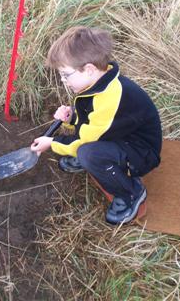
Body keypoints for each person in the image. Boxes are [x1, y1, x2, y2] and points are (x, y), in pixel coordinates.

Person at [31, 26, 162, 225]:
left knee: (88, 153)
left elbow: (87, 138)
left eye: (66, 75)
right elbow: (93, 122)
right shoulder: (97, 84)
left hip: (141, 152)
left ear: (90, 69)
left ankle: (131, 193)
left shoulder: (110, 97)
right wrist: (72, 118)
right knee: (85, 150)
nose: (62, 81)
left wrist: (52, 143)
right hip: (119, 135)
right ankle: (91, 159)